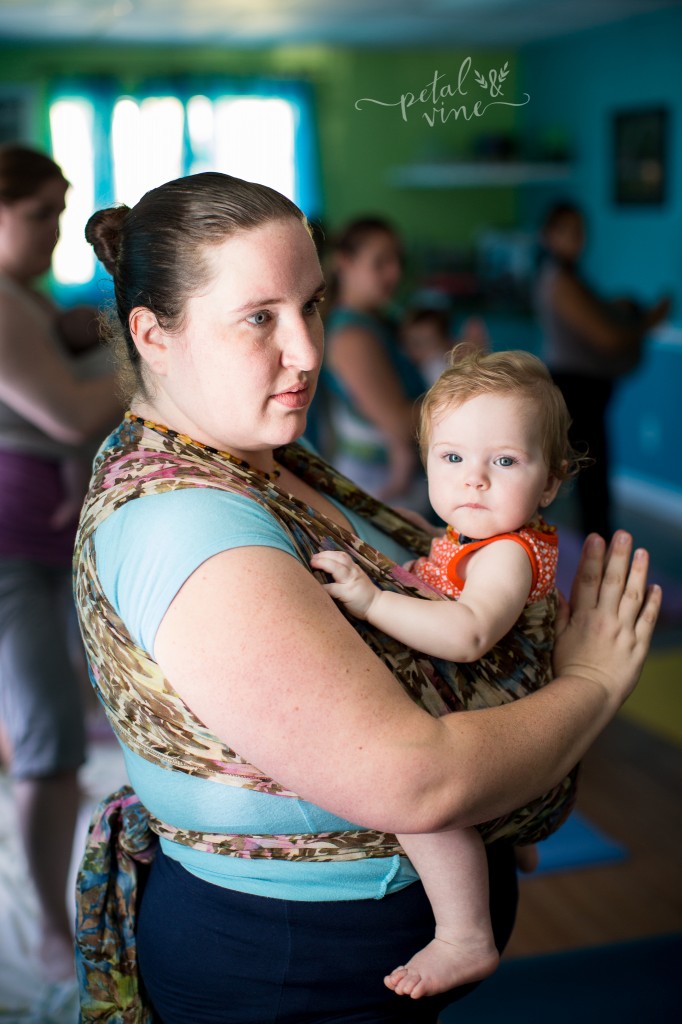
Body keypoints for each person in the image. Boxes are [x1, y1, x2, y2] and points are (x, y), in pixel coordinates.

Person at [73, 171, 660, 1024]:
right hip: (295, 969)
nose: (309, 351)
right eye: (259, 317)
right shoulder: (187, 524)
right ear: (154, 334)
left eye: (312, 305)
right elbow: (414, 786)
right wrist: (593, 681)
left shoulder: (260, 454)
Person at [311, 346, 580, 999]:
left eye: (505, 461)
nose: (474, 480)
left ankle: (465, 934)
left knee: (412, 789)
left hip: (491, 700)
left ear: (550, 483)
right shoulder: (472, 538)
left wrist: (375, 601)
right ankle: (508, 832)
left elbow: (467, 634)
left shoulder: (507, 555)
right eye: (452, 458)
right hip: (496, 700)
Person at [0, 144, 121, 984]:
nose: (54, 232)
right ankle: (49, 926)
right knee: (48, 745)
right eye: (40, 214)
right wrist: (157, 348)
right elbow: (71, 410)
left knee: (62, 736)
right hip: (11, 551)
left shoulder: (23, 298)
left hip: (46, 544)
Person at [535, 200, 670, 539]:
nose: (577, 238)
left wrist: (616, 307)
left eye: (580, 231)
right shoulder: (560, 281)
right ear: (548, 236)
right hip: (576, 388)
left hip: (583, 387)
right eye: (566, 231)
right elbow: (607, 339)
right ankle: (594, 557)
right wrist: (647, 321)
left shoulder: (570, 278)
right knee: (589, 483)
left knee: (585, 478)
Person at [321, 216, 427, 509]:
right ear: (345, 263)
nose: (394, 273)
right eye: (380, 263)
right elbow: (401, 423)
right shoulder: (352, 337)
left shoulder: (381, 320)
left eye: (397, 262)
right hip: (382, 490)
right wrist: (466, 391)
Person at [401, 307, 489, 388]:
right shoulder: (416, 368)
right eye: (415, 343)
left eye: (429, 343)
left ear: (447, 342)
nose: (420, 351)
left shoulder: (434, 365)